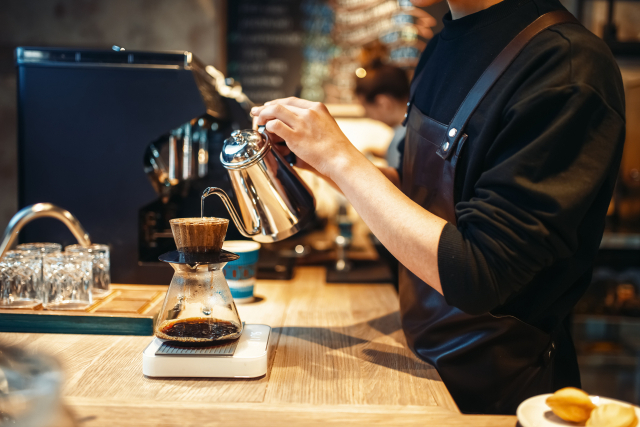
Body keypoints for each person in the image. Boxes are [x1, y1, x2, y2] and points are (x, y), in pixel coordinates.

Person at [252, 0, 626, 415]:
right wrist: (326, 164)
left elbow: (479, 273)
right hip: (419, 360)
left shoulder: (565, 66)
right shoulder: (441, 44)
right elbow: (424, 197)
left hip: (496, 395)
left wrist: (341, 158)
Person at [354, 61, 410, 169]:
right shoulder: (419, 128)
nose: (368, 116)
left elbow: (397, 183)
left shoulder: (400, 142)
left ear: (384, 103)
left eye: (366, 109)